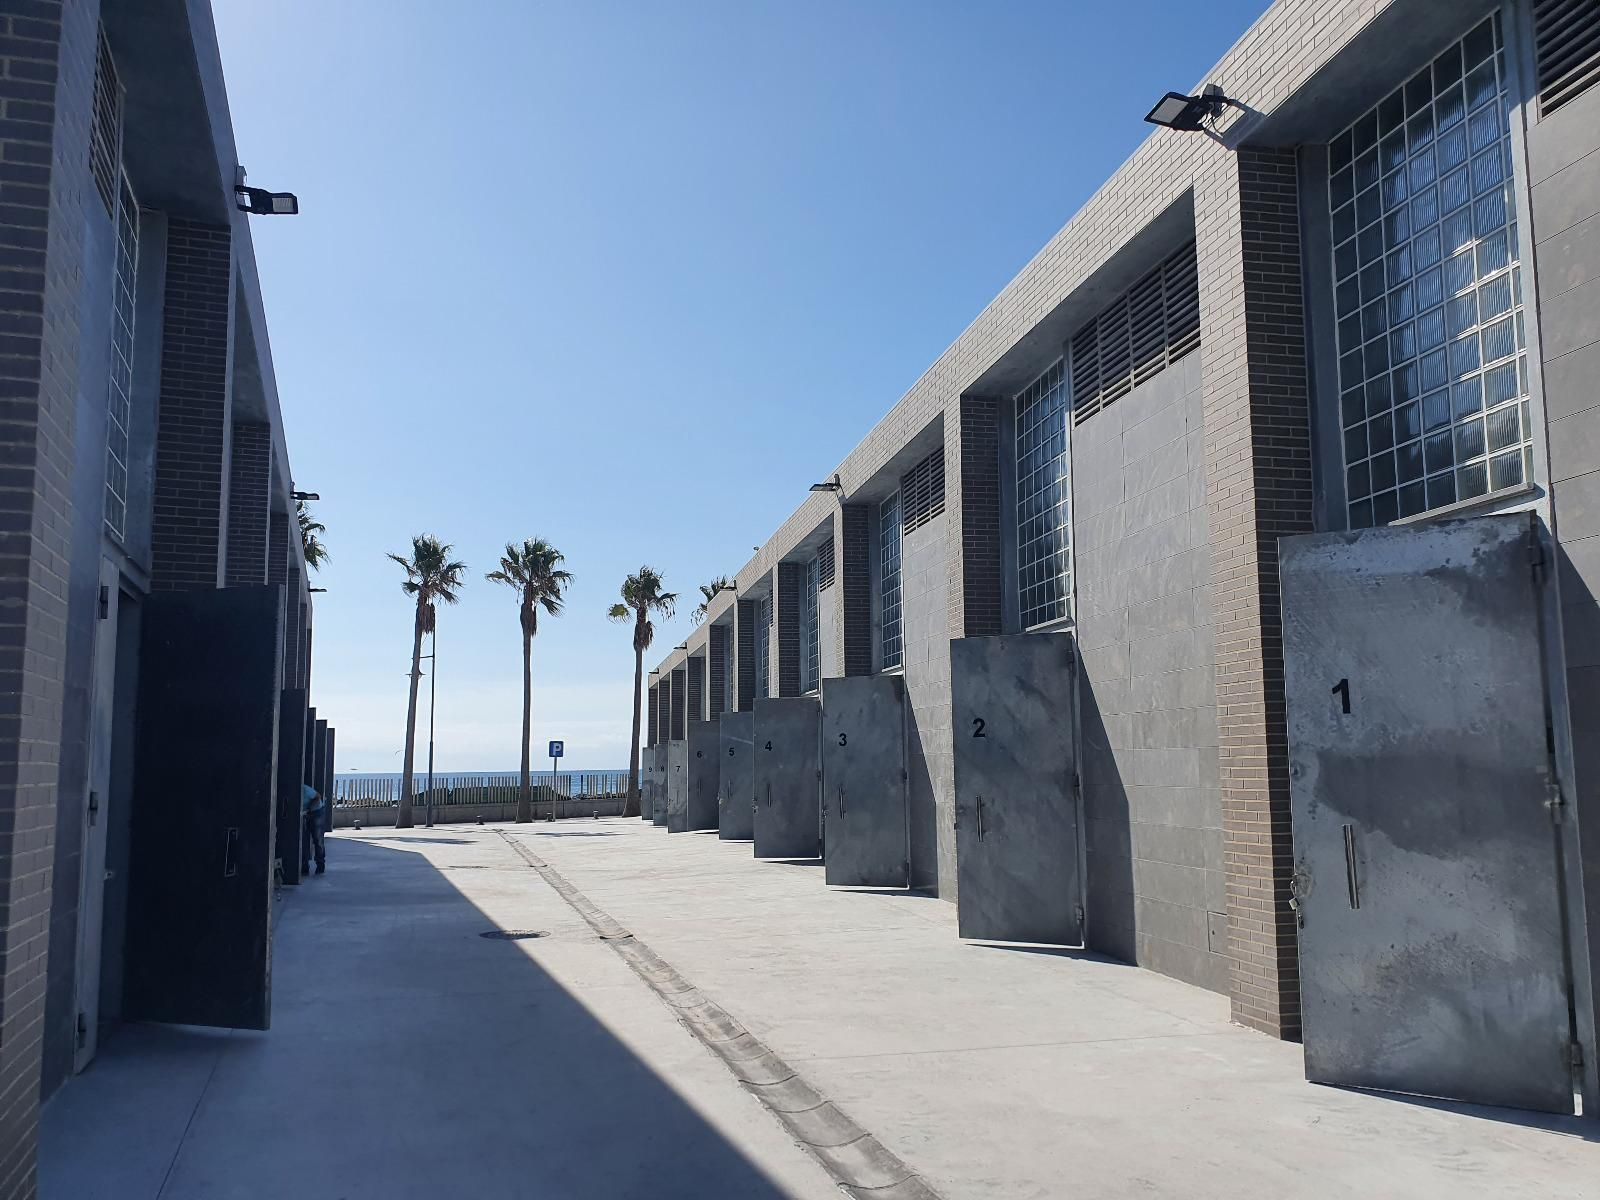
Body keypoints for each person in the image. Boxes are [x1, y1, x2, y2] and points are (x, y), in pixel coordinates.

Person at [301, 783, 326, 876]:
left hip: (317, 812)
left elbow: (317, 796)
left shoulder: (305, 789)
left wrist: (308, 809)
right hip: (305, 813)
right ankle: (304, 865)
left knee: (318, 839)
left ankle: (320, 864)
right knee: (304, 839)